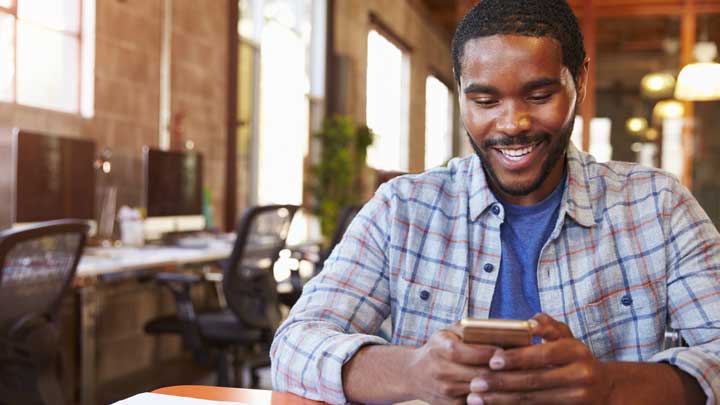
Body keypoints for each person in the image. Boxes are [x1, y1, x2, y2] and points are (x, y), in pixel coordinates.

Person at [270, 1, 720, 404]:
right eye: (484, 100)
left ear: (579, 80)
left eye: (540, 95)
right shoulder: (403, 209)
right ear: (461, 90)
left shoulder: (657, 206)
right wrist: (414, 372)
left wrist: (608, 385)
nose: (513, 124)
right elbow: (295, 343)